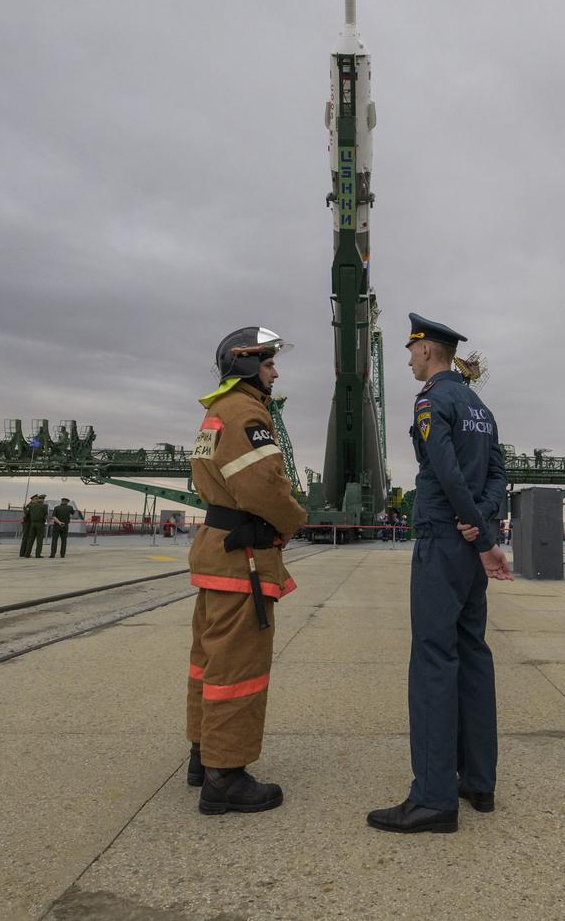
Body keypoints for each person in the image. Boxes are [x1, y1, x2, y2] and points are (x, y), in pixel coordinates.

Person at [368, 314, 510, 835]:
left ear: (428, 351)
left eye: (412, 351)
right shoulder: (480, 408)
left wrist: (473, 528)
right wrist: (486, 532)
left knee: (432, 659)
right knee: (473, 654)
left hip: (442, 542)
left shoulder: (432, 400)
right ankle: (478, 780)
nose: (408, 359)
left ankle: (432, 797)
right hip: (471, 547)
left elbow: (445, 472)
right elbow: (498, 474)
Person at [185, 326, 306, 817]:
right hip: (244, 561)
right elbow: (264, 487)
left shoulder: (213, 414)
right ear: (246, 364)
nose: (275, 372)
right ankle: (226, 776)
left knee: (209, 663)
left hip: (216, 552)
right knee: (238, 669)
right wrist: (296, 519)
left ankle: (203, 753)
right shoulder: (247, 412)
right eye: (270, 363)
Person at [20, 493, 46, 558]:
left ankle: (26, 553)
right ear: (33, 499)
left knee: (29, 539)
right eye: (36, 499)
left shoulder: (32, 505)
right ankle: (22, 552)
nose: (37, 500)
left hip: (31, 523)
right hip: (27, 523)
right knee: (26, 538)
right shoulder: (30, 505)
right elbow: (26, 513)